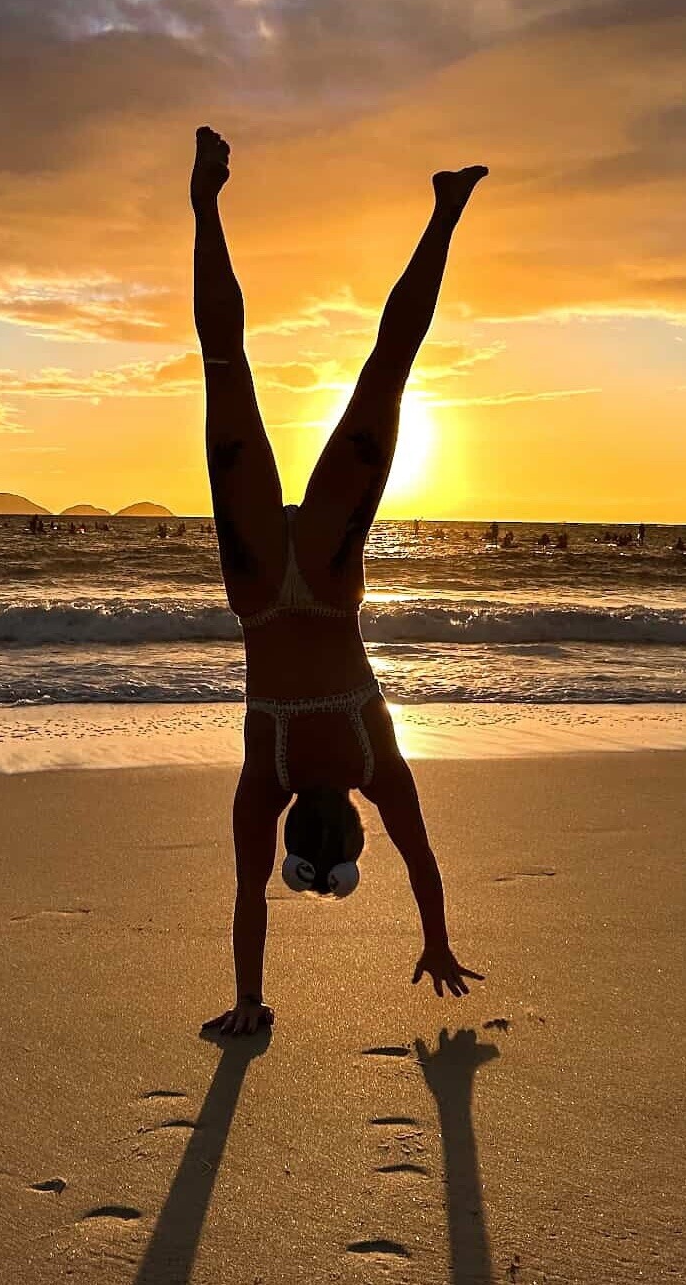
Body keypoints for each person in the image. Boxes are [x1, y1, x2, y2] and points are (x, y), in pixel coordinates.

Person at [191, 126, 487, 1036]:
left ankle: (445, 212)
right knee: (224, 366)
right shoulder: (267, 782)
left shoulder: (374, 766)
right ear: (294, 832)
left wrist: (438, 940)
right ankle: (205, 202)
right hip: (259, 584)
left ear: (356, 830)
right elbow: (249, 897)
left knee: (386, 374)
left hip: (325, 572)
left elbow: (424, 862)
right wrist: (247, 1001)